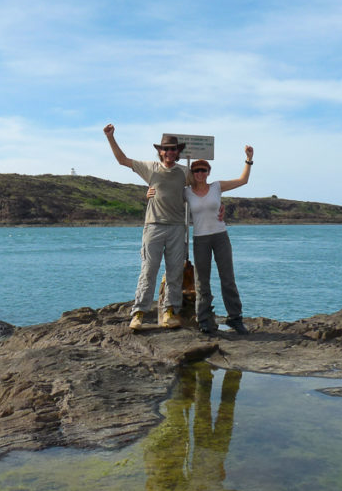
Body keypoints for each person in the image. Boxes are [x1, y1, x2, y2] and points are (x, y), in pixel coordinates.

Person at [104, 124, 192, 330]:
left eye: (173, 149)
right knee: (148, 270)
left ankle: (170, 312)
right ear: (160, 151)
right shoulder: (150, 168)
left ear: (178, 152)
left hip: (178, 228)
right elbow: (122, 160)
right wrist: (110, 137)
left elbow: (201, 188)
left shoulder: (185, 172)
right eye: (166, 149)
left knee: (174, 272)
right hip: (154, 226)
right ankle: (139, 313)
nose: (170, 152)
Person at [181, 146, 254, 334]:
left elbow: (243, 180)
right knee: (202, 281)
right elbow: (167, 195)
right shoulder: (186, 192)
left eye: (203, 170)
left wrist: (248, 159)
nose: (199, 173)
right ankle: (204, 319)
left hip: (220, 236)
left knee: (227, 278)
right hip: (200, 239)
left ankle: (235, 318)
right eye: (196, 170)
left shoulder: (217, 187)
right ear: (192, 173)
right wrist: (151, 192)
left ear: (208, 172)